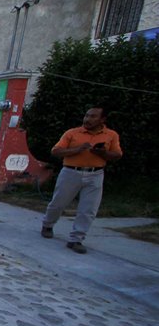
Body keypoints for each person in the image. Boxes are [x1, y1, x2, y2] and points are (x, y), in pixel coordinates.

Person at [40, 106, 122, 253]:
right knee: (59, 202)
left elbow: (117, 155)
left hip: (95, 174)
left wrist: (103, 153)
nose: (88, 119)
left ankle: (76, 239)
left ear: (102, 119)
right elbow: (56, 151)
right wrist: (77, 150)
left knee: (88, 209)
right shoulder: (72, 133)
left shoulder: (111, 135)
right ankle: (48, 224)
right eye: (87, 116)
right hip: (71, 172)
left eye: (93, 117)